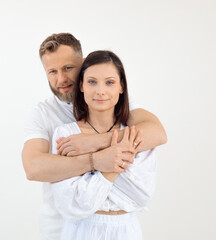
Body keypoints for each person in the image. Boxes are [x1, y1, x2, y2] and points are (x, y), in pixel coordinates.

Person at [21, 33, 166, 239]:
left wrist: (94, 142)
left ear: (82, 64)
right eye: (52, 71)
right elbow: (34, 168)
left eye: (68, 68)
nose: (61, 79)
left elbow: (157, 133)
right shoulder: (43, 113)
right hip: (60, 225)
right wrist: (98, 160)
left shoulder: (111, 99)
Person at [50, 50, 157, 239]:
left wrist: (91, 167)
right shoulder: (66, 135)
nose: (100, 91)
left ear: (121, 87)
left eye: (109, 82)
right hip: (80, 231)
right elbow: (70, 204)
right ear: (81, 85)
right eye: (92, 82)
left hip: (126, 231)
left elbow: (141, 194)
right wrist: (112, 162)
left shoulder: (135, 132)